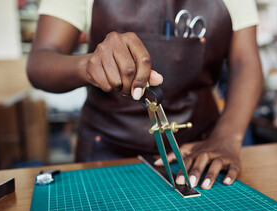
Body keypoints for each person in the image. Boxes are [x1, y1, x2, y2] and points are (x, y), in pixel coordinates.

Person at [27, 0, 263, 190]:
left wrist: (228, 137)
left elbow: (246, 62)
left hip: (197, 149)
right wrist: (88, 66)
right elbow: (39, 62)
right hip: (105, 152)